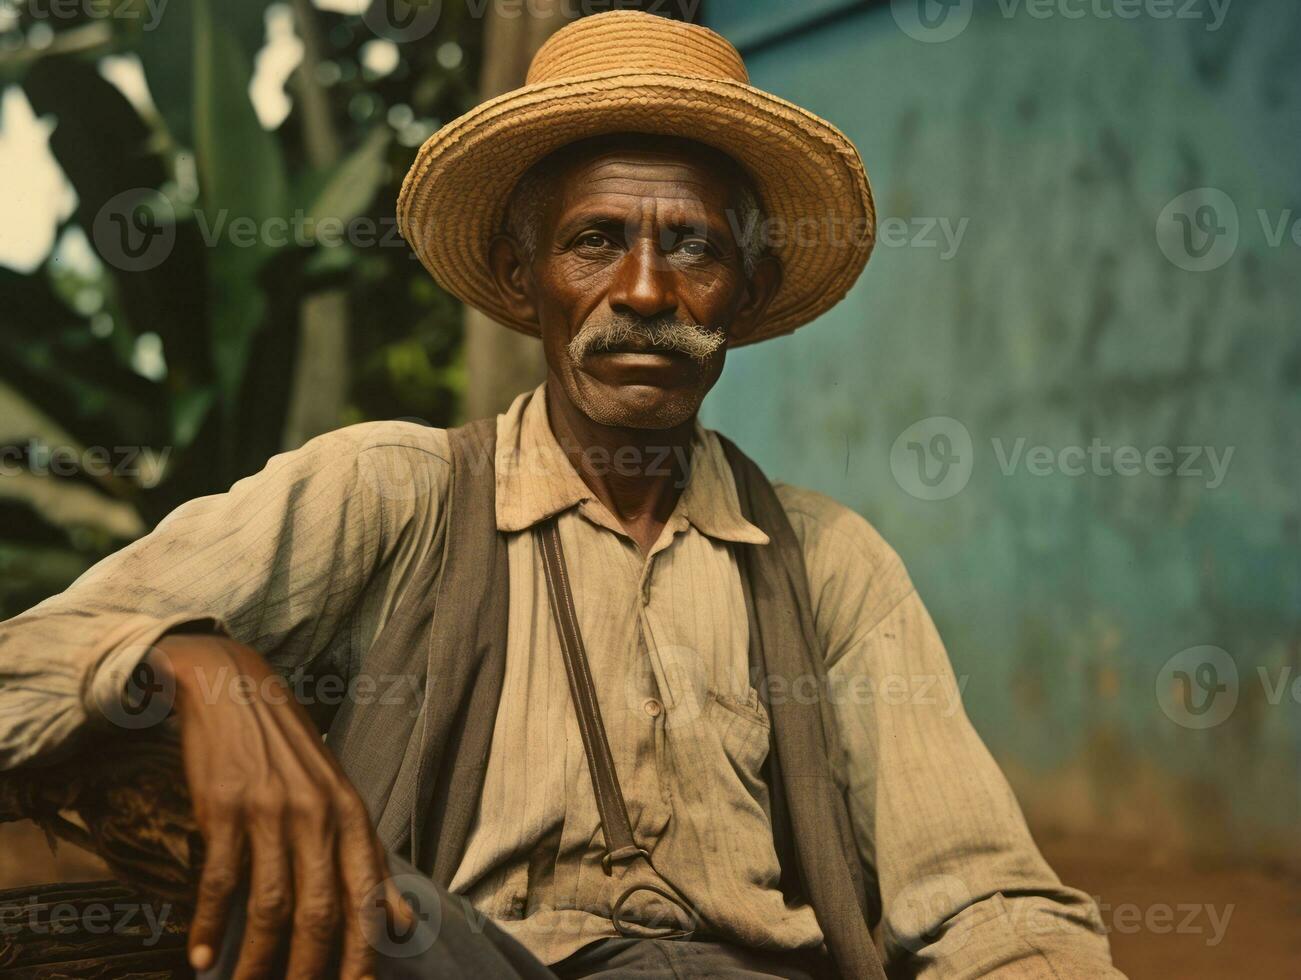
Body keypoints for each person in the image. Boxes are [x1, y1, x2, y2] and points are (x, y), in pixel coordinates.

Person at [0, 12, 1124, 979]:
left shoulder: (827, 562)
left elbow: (983, 894)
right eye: (595, 241)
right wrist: (193, 660)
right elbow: (21, 664)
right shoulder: (392, 491)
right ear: (520, 275)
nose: (643, 289)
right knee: (392, 918)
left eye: (691, 245)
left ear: (747, 288)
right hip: (462, 959)